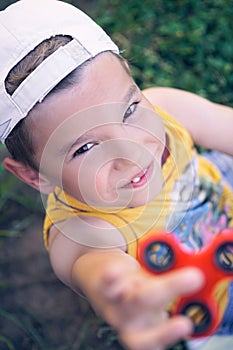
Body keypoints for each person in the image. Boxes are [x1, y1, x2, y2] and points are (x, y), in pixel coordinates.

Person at [1, 0, 233, 349]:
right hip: (210, 303)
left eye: (129, 110)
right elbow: (98, 269)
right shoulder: (81, 231)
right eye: (85, 148)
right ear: (35, 176)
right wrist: (122, 292)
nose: (130, 152)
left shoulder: (169, 109)